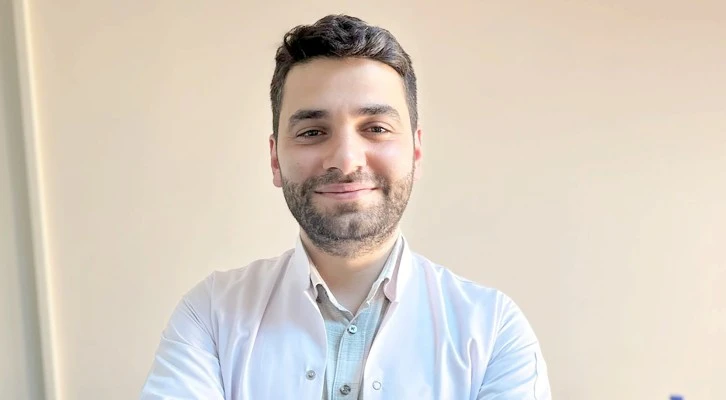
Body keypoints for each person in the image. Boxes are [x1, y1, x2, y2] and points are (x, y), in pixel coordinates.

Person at [140, 14, 551, 400]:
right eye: (312, 132)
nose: (346, 160)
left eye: (376, 128)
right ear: (275, 159)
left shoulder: (493, 331)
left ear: (416, 151)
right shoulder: (210, 316)